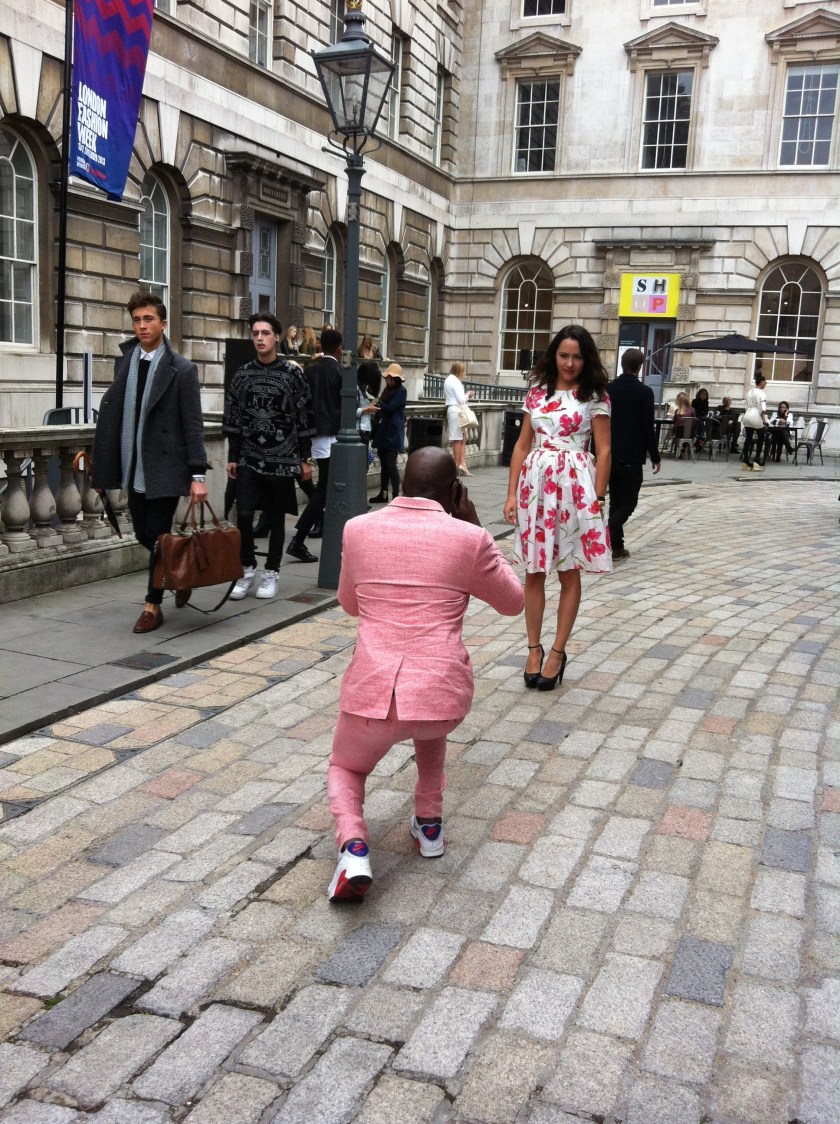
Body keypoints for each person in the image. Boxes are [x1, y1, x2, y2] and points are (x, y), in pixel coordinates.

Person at [326, 447, 524, 901]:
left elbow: (349, 604)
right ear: (455, 493)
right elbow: (514, 602)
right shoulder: (469, 539)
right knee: (425, 722)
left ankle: (354, 848)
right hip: (441, 698)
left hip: (372, 695)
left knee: (345, 767)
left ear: (402, 484)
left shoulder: (358, 529)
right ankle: (429, 825)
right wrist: (477, 526)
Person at [503, 325, 611, 692]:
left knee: (568, 570)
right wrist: (511, 494)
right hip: (535, 487)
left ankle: (557, 652)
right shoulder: (536, 393)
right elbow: (522, 445)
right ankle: (533, 649)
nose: (569, 363)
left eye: (577, 356)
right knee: (534, 570)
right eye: (564, 355)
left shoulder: (595, 396)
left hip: (575, 488)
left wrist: (598, 498)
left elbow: (604, 450)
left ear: (586, 359)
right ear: (554, 356)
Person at [92, 291, 208, 634]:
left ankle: (152, 606)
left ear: (163, 324)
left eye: (148, 319)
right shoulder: (126, 362)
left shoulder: (182, 369)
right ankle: (180, 574)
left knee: (157, 536)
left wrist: (198, 474)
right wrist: (103, 469)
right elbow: (112, 418)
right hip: (133, 465)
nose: (142, 326)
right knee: (144, 533)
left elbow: (193, 425)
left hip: (166, 468)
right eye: (137, 320)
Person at [225, 314, 314, 599]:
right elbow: (233, 417)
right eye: (255, 333)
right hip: (249, 456)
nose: (259, 338)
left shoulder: (292, 374)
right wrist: (233, 455)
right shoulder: (242, 375)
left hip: (283, 457)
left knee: (276, 517)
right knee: (244, 513)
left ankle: (271, 571)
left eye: (265, 333)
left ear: (277, 337)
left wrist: (305, 458)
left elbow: (304, 415)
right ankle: (247, 567)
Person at [286, 328, 343, 563]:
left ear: (321, 346)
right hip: (333, 435)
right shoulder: (340, 371)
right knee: (325, 488)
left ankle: (318, 531)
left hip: (313, 433)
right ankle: (299, 539)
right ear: (339, 348)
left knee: (327, 487)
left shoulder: (309, 371)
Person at [607, 348, 661, 562]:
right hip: (632, 455)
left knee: (615, 501)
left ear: (622, 363)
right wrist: (655, 456)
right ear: (640, 367)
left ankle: (617, 547)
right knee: (629, 503)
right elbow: (648, 427)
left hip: (610, 454)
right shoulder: (644, 392)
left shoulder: (609, 389)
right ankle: (609, 528)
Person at [370, 363, 408, 503]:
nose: (389, 381)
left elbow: (390, 408)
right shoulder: (387, 390)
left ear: (397, 379)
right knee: (384, 465)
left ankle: (396, 495)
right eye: (387, 378)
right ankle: (384, 493)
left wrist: (378, 402)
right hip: (384, 429)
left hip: (393, 431)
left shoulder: (401, 391)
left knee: (390, 463)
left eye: (391, 379)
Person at [444, 360, 474, 476]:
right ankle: (455, 466)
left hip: (454, 410)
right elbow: (461, 400)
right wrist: (468, 395)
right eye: (463, 370)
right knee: (457, 439)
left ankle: (461, 464)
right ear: (459, 370)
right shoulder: (455, 381)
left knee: (462, 437)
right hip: (456, 410)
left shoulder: (448, 379)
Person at [741, 372, 769, 472]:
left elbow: (746, 405)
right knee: (761, 437)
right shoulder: (761, 393)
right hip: (756, 416)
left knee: (748, 438)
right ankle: (757, 459)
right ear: (761, 382)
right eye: (765, 382)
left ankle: (745, 460)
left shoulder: (750, 392)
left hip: (747, 415)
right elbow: (762, 409)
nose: (765, 384)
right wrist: (764, 421)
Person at [691, 387, 711, 451]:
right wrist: (702, 412)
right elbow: (694, 411)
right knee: (701, 425)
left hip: (703, 417)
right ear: (699, 394)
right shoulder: (695, 401)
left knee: (708, 423)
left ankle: (700, 440)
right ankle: (700, 441)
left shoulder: (706, 402)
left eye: (705, 394)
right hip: (696, 417)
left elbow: (706, 411)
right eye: (702, 394)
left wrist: (703, 413)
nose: (704, 395)